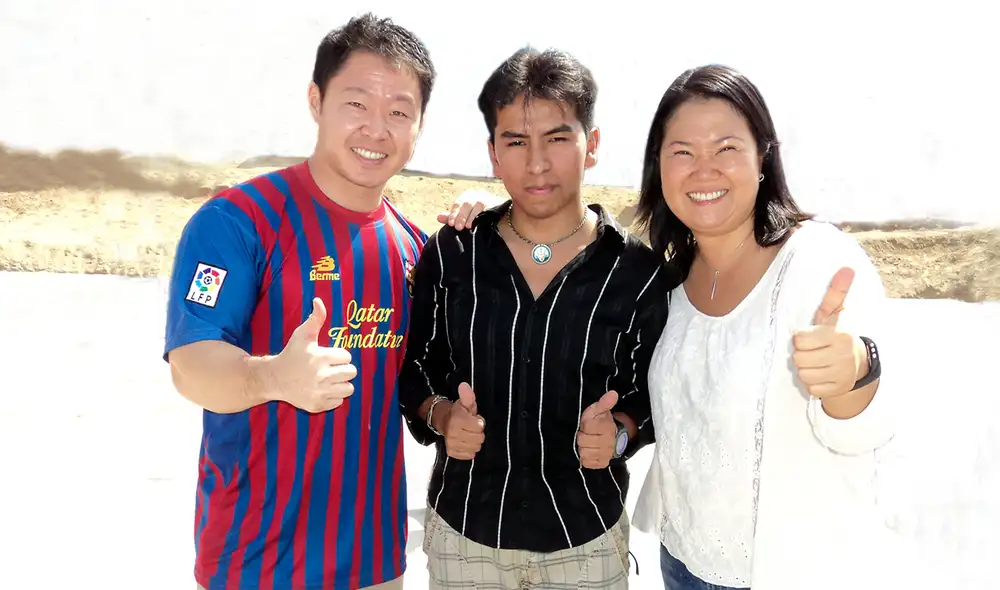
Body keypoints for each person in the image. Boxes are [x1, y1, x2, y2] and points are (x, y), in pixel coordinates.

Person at [163, 13, 493, 590]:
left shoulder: (416, 249)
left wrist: (499, 225)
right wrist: (271, 377)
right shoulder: (239, 221)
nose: (376, 129)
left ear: (419, 125)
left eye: (399, 112)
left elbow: (439, 374)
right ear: (316, 100)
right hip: (255, 564)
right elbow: (192, 366)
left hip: (377, 563)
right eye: (356, 104)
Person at [398, 47, 675, 590]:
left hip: (586, 544)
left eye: (558, 138)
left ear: (591, 145)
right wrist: (440, 415)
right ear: (493, 154)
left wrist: (618, 435)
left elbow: (654, 392)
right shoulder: (454, 255)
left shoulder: (639, 274)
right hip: (466, 541)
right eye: (516, 142)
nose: (537, 163)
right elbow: (415, 369)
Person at [629, 65, 908, 589]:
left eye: (727, 148)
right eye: (682, 152)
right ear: (659, 168)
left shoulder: (817, 260)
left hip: (793, 570)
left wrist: (855, 370)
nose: (703, 169)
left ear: (763, 159)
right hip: (681, 561)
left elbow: (870, 425)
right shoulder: (668, 276)